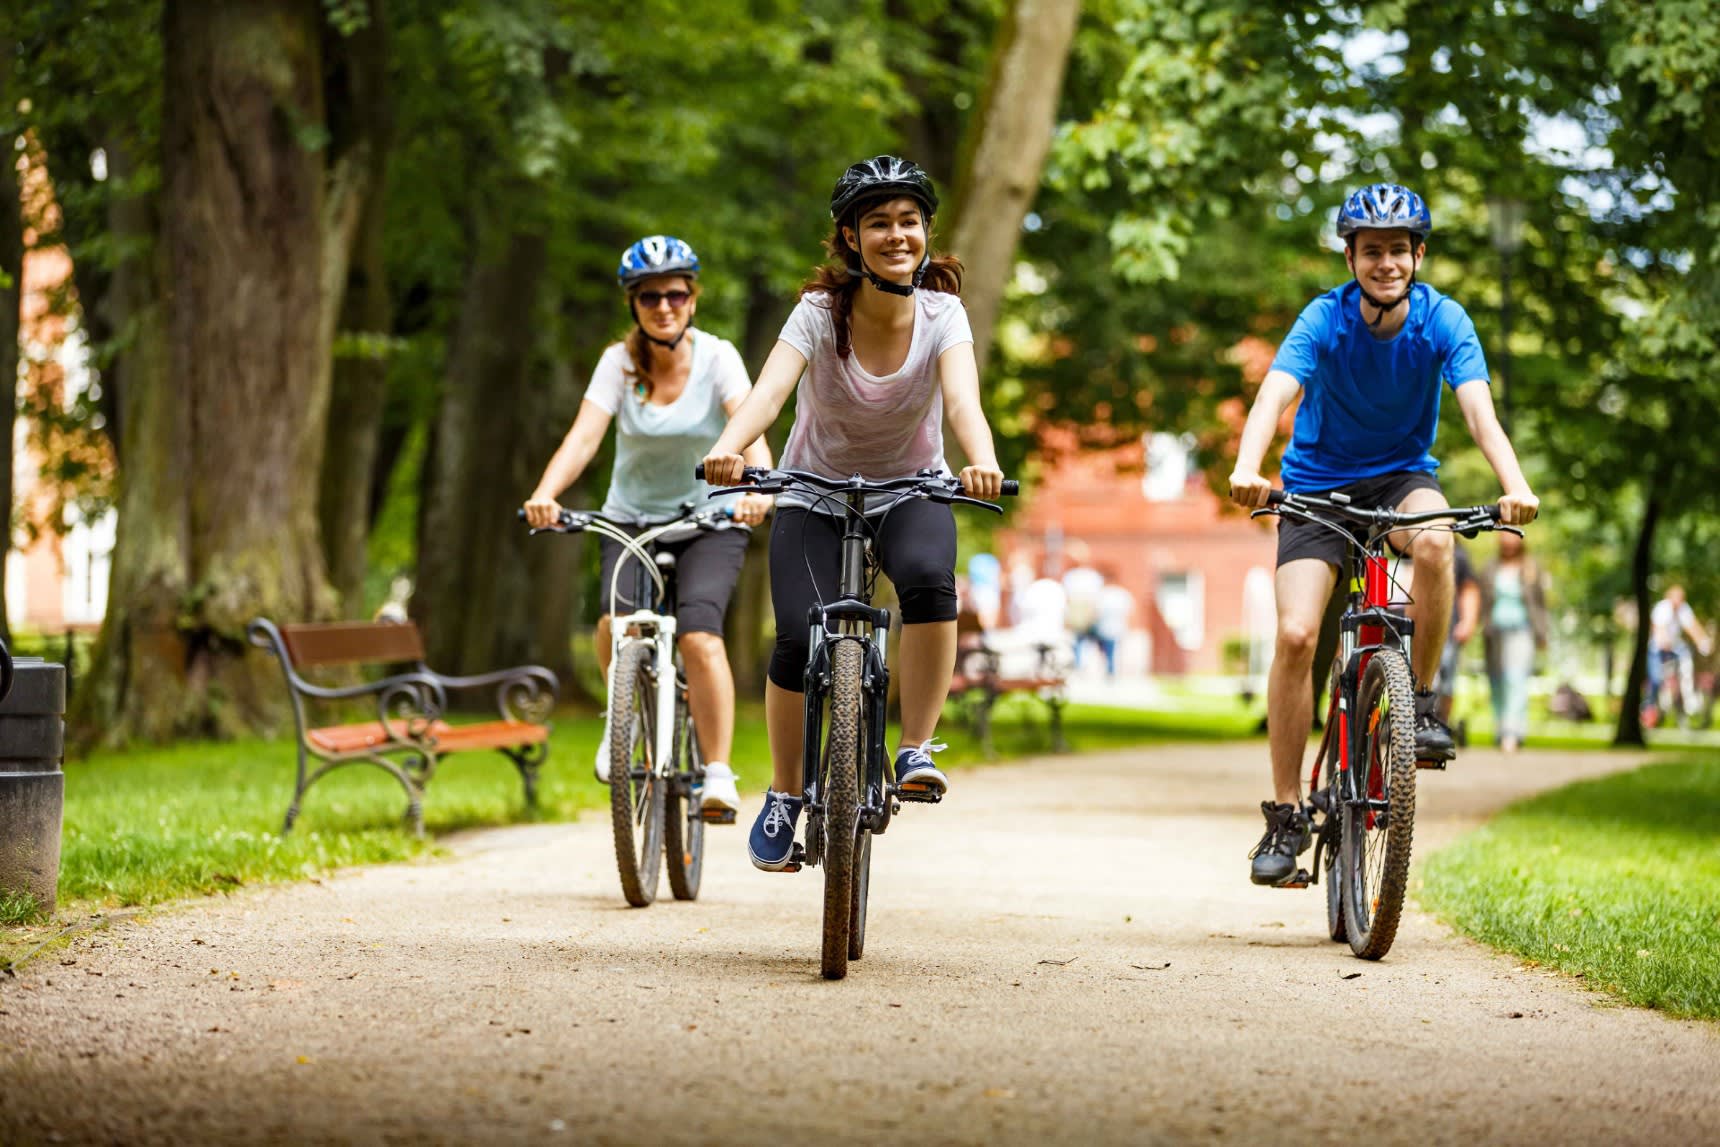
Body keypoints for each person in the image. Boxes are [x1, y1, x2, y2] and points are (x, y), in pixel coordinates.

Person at [1227, 183, 1539, 887]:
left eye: (1399, 248)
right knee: (1299, 634)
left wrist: (1514, 486)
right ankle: (1283, 812)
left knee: (1436, 542)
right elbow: (1273, 393)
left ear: (1418, 254)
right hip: (1315, 487)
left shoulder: (1444, 320)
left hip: (1402, 478)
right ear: (1351, 256)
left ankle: (1420, 703)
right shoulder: (1323, 319)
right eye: (1372, 250)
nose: (1386, 262)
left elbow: (1480, 416)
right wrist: (1248, 466)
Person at [700, 155, 1005, 871]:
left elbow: (963, 403)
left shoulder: (942, 313)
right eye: (878, 223)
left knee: (930, 581)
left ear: (926, 231)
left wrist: (981, 458)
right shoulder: (817, 312)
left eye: (909, 221)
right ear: (849, 236)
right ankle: (783, 792)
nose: (896, 235)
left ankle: (916, 745)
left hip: (911, 489)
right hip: (814, 489)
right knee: (794, 635)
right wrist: (727, 448)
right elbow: (768, 395)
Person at [524, 236, 774, 820]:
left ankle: (716, 772)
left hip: (710, 518)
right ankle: (621, 724)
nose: (664, 306)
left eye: (676, 294)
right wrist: (544, 494)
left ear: (693, 298)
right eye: (650, 296)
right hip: (630, 519)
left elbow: (751, 423)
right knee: (617, 624)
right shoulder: (618, 363)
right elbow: (585, 436)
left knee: (700, 637)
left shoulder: (718, 358)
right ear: (633, 304)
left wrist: (759, 488)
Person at [1479, 530, 1549, 753]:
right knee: (1496, 680)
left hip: (1522, 630)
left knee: (1516, 679)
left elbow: (1541, 604)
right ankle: (1500, 728)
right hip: (1494, 630)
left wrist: (1542, 634)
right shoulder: (1490, 567)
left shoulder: (1531, 567)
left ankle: (1513, 732)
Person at [1435, 540, 1483, 729]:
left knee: (1446, 679)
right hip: (1409, 626)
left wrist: (1468, 622)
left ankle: (1442, 723)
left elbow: (1469, 589)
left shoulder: (1458, 556)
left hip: (1448, 628)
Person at [1648, 585, 1712, 726]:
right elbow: (1660, 630)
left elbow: (1692, 626)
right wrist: (1665, 646)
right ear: (1670, 598)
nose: (1679, 602)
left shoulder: (1683, 608)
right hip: (1658, 647)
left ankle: (1689, 700)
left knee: (1686, 663)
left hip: (1675, 645)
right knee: (1656, 680)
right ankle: (1652, 708)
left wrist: (1702, 641)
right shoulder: (1662, 608)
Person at [1094, 575, 1135, 678]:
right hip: (1116, 626)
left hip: (1106, 626)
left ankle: (1110, 669)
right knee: (1111, 649)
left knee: (1108, 649)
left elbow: (1097, 611)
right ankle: (1111, 668)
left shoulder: (1104, 594)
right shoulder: (1122, 594)